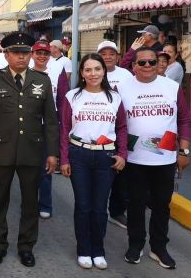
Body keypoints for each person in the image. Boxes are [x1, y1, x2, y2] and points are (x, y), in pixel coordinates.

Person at [0, 32, 59, 267]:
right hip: (0, 150)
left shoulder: (42, 80)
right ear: (7, 54)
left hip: (32, 151)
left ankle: (26, 246)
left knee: (30, 202)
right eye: (16, 53)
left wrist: (52, 153)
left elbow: (51, 121)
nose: (21, 58)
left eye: (25, 53)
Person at [120, 46, 191, 269]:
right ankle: (135, 245)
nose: (148, 66)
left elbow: (184, 120)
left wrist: (184, 151)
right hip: (134, 159)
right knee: (136, 205)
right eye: (142, 63)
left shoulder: (171, 86)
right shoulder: (122, 88)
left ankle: (159, 248)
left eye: (153, 62)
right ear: (133, 66)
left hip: (166, 159)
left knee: (162, 205)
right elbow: (118, 124)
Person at [59, 53, 128, 270]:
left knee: (99, 207)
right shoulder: (73, 96)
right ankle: (83, 250)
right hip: (78, 155)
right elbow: (64, 130)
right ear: (81, 73)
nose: (93, 74)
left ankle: (98, 250)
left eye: (97, 69)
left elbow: (122, 128)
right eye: (88, 70)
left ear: (104, 71)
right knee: (83, 205)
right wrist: (64, 159)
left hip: (105, 157)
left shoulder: (114, 97)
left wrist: (123, 154)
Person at [96, 40, 134, 230]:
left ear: (118, 57)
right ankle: (97, 209)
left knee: (122, 174)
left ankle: (117, 211)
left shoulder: (126, 75)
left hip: (122, 128)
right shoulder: (93, 73)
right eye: (104, 54)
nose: (108, 57)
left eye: (112, 53)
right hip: (100, 132)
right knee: (101, 173)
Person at [30, 40, 69, 220]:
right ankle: (29, 203)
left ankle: (45, 204)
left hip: (49, 123)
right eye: (38, 53)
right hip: (29, 123)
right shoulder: (26, 68)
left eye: (45, 53)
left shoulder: (57, 68)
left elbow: (62, 98)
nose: (42, 56)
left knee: (47, 165)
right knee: (29, 166)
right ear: (33, 54)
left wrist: (62, 125)